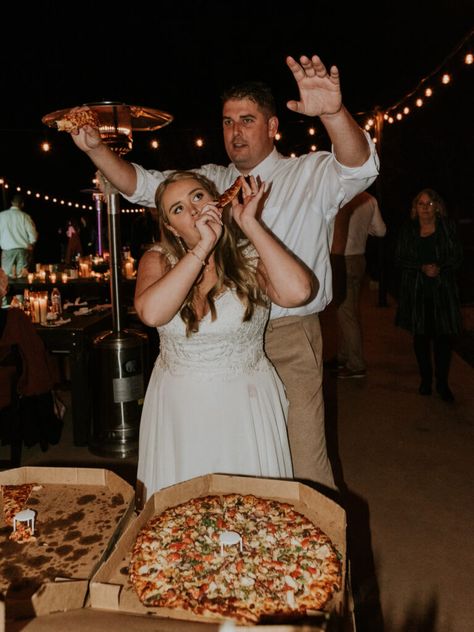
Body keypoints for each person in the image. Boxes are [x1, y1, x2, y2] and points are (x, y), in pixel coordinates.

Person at [69, 54, 379, 491]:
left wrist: (332, 113)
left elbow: (358, 165)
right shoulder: (211, 182)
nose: (235, 131)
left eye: (247, 120)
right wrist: (97, 149)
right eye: (228, 121)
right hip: (215, 337)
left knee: (304, 466)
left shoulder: (308, 171)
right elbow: (143, 186)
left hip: (287, 333)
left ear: (273, 127)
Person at [134, 171, 315, 501]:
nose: (192, 210)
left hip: (243, 406)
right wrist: (202, 247)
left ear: (217, 201)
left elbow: (299, 292)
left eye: (197, 197)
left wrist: (250, 224)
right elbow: (151, 313)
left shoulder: (249, 256)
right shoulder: (157, 260)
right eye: (177, 209)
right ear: (171, 228)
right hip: (178, 407)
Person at [395, 189, 462, 402]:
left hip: (443, 292)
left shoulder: (447, 228)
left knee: (444, 339)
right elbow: (400, 258)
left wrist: (440, 267)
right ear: (415, 207)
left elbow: (457, 256)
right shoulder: (408, 230)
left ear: (437, 207)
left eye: (429, 203)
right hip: (417, 292)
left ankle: (442, 383)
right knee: (421, 338)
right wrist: (421, 268)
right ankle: (425, 379)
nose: (425, 208)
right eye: (421, 204)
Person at [334, 191, 386, 378]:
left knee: (345, 312)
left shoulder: (340, 195)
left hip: (341, 259)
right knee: (349, 310)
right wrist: (365, 229)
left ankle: (356, 364)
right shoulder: (370, 199)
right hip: (359, 258)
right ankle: (343, 354)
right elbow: (380, 231)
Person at [0, 194, 37, 278]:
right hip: (22, 251)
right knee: (22, 277)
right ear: (22, 204)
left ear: (12, 203)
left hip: (7, 251)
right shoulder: (25, 216)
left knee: (6, 278)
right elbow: (33, 234)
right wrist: (31, 244)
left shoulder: (1, 215)